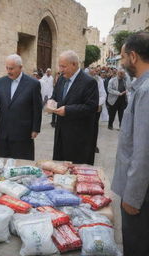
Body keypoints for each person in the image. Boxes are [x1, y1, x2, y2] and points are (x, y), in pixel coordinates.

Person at [111, 31, 149, 256]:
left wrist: (132, 197)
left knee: (136, 246)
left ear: (133, 56)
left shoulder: (146, 91)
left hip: (140, 196)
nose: (122, 62)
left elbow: (143, 151)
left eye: (123, 57)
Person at [0, 54, 42, 160]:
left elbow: (37, 108)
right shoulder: (1, 82)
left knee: (22, 163)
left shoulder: (33, 84)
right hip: (4, 132)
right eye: (7, 68)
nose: (8, 71)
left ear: (20, 67)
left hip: (23, 133)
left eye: (11, 68)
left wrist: (35, 128)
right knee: (2, 162)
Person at [52, 50, 99, 164]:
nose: (60, 70)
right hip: (61, 135)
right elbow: (55, 96)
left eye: (63, 66)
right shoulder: (62, 79)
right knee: (59, 169)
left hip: (79, 138)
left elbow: (91, 107)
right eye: (59, 66)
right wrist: (51, 102)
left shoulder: (89, 82)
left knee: (76, 171)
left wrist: (67, 110)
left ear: (74, 64)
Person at [89, 67, 106, 155]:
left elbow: (103, 94)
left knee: (94, 128)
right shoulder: (83, 79)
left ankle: (93, 145)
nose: (94, 71)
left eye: (95, 70)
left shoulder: (99, 80)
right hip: (85, 108)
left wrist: (98, 104)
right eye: (92, 69)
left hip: (96, 108)